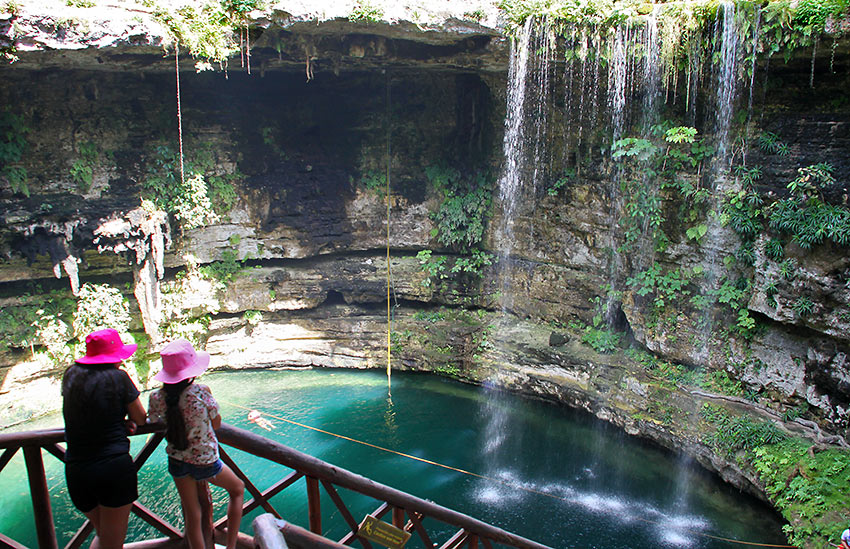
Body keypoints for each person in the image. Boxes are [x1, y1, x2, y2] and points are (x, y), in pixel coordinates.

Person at [147, 339, 244, 549]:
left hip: (177, 460)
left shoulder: (156, 397)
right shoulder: (201, 392)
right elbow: (216, 424)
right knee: (238, 489)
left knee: (192, 514)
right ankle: (232, 546)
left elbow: (154, 421)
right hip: (206, 462)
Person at [62, 328, 146, 549]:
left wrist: (117, 421)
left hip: (76, 470)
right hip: (112, 469)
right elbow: (141, 418)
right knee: (112, 543)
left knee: (103, 535)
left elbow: (88, 411)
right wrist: (123, 420)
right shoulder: (118, 378)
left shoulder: (71, 374)